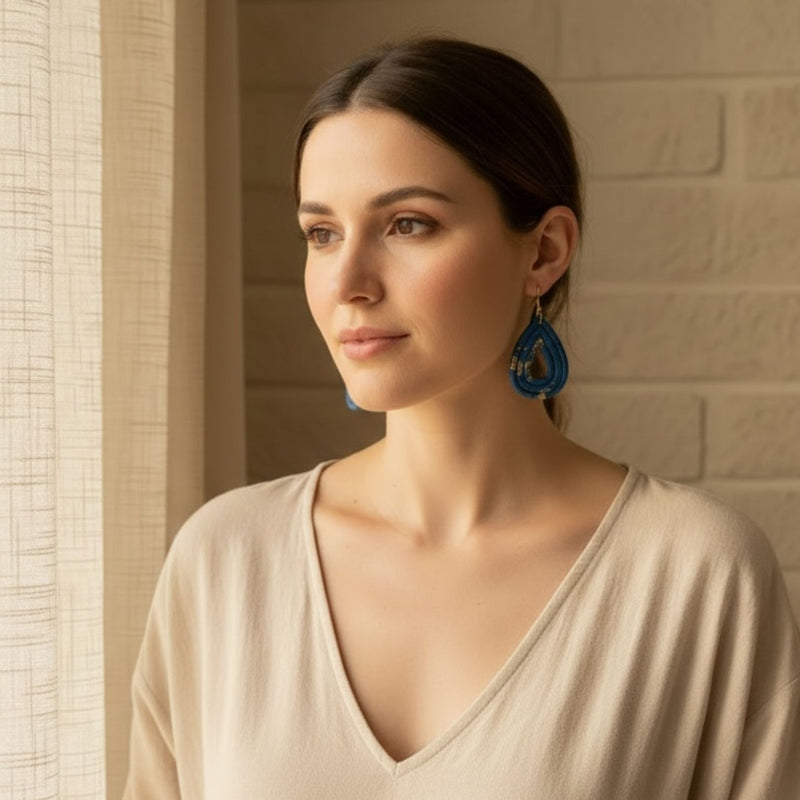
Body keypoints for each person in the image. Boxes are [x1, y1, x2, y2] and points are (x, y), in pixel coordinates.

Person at [123, 38, 800, 798]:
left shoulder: (696, 575)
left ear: (544, 252)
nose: (347, 282)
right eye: (322, 234)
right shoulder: (223, 562)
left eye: (407, 224)